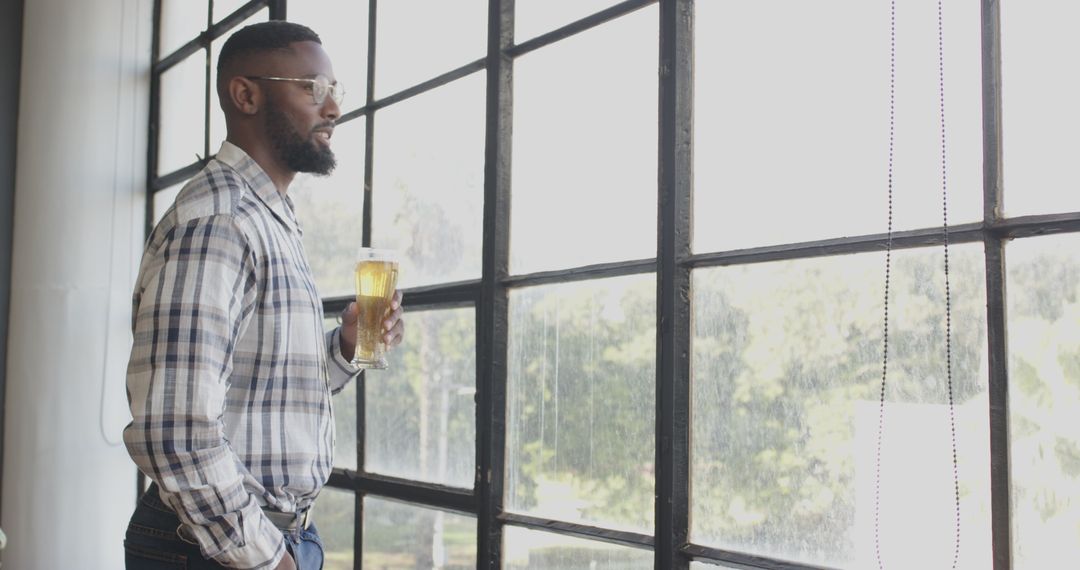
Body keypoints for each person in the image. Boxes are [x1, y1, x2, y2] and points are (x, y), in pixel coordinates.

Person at [122, 21, 403, 570]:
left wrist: (344, 348)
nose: (333, 109)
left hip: (270, 538)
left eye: (334, 91)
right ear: (245, 94)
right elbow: (174, 429)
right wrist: (267, 559)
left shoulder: (268, 217)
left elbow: (264, 394)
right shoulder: (220, 220)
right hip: (214, 551)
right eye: (312, 88)